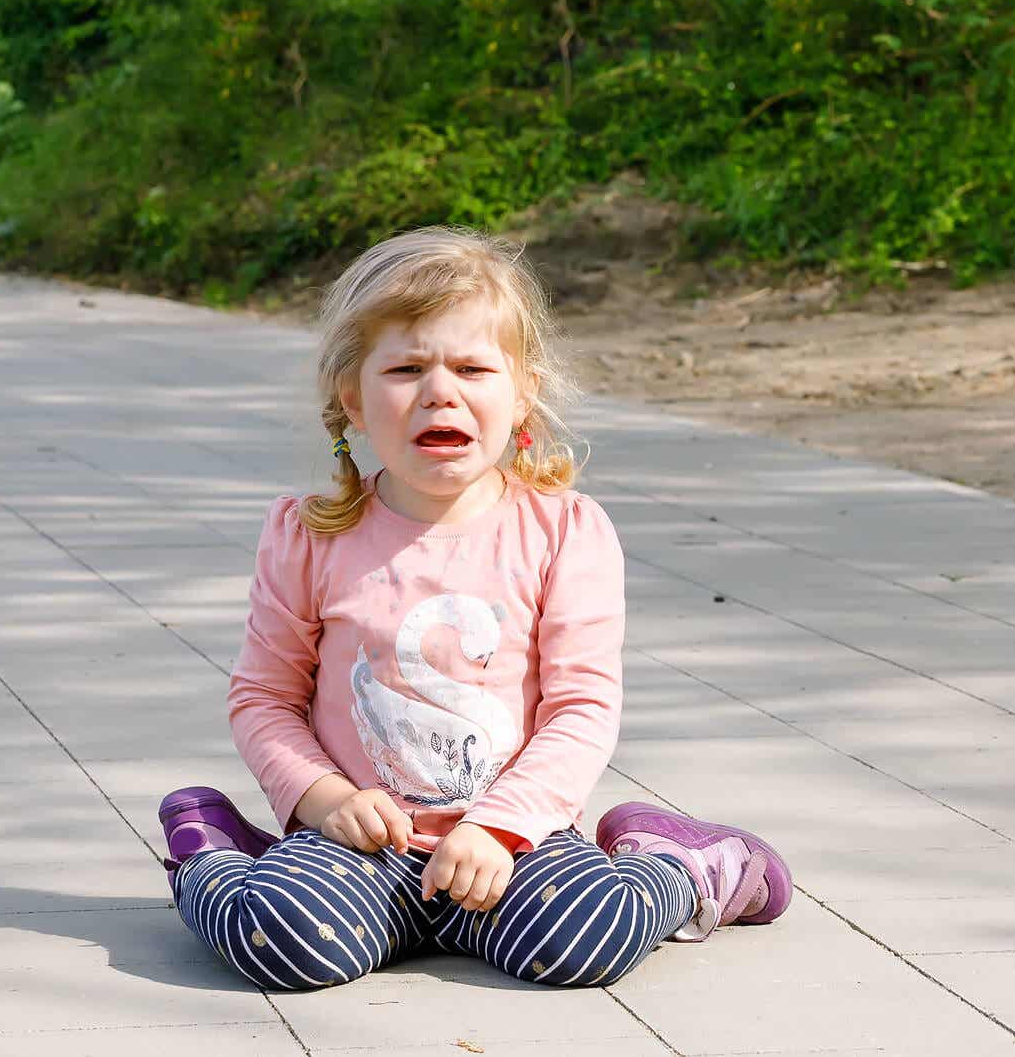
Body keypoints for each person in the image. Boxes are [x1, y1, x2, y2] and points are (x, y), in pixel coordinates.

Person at [157, 226, 791, 991]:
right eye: (407, 367)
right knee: (284, 938)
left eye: (470, 366)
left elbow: (581, 706)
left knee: (588, 938)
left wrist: (500, 822)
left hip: (511, 843)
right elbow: (264, 698)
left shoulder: (565, 533)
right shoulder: (308, 537)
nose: (440, 389)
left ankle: (680, 868)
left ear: (521, 391)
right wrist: (325, 801)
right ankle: (216, 855)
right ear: (352, 399)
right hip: (361, 844)